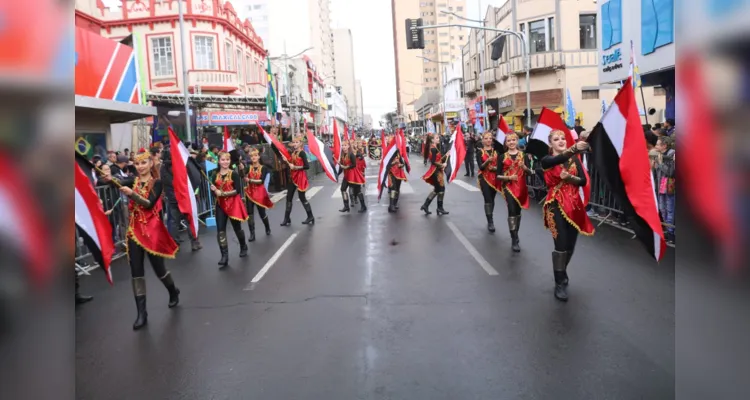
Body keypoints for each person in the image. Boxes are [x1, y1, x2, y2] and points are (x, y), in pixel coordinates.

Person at [101, 148, 180, 330]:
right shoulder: (132, 180)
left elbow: (149, 203)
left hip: (152, 232)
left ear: (151, 163)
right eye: (137, 163)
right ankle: (141, 313)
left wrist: (131, 194)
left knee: (159, 269)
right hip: (134, 232)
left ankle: (173, 291)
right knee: (136, 272)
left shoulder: (157, 183)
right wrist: (106, 177)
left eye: (144, 162)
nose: (141, 166)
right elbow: (117, 182)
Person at [541, 130, 594, 301]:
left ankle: (562, 272)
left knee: (570, 246)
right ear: (551, 144)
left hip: (574, 207)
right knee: (561, 244)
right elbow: (558, 159)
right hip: (555, 205)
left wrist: (570, 177)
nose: (561, 141)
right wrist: (574, 148)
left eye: (563, 138)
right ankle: (559, 283)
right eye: (556, 139)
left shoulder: (574, 160)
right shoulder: (547, 160)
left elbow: (583, 181)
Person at [211, 151, 249, 268]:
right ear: (219, 161)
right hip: (220, 205)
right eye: (223, 160)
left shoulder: (234, 174)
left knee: (237, 228)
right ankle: (224, 256)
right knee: (220, 230)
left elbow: (238, 190)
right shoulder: (214, 174)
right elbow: (214, 193)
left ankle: (243, 246)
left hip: (233, 205)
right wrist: (213, 190)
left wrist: (221, 193)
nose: (225, 162)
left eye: (227, 159)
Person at [497, 132, 532, 252]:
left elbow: (530, 173)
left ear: (517, 141)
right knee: (511, 210)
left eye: (513, 140)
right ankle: (514, 238)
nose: (511, 143)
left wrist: (524, 167)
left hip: (521, 187)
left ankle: (516, 232)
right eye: (509, 141)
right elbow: (498, 175)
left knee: (517, 212)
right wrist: (509, 178)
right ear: (506, 143)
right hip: (509, 187)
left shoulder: (524, 155)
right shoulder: (502, 157)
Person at [280, 134, 315, 226]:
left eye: (296, 142)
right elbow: (291, 163)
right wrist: (286, 160)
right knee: (289, 198)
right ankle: (287, 218)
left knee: (302, 198)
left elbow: (307, 166)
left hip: (300, 178)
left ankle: (310, 216)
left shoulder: (302, 153)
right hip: (293, 177)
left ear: (301, 144)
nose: (294, 144)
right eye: (294, 142)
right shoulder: (293, 153)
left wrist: (295, 167)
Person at [243, 148, 273, 241]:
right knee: (250, 214)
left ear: (259, 156)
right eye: (251, 156)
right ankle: (252, 234)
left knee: (262, 213)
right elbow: (242, 175)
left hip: (259, 193)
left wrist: (250, 180)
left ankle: (267, 227)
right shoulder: (248, 167)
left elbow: (261, 181)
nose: (253, 157)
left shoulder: (263, 168)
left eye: (255, 155)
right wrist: (241, 169)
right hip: (250, 193)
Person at [653, 136, 676, 244]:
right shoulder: (658, 155)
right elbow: (657, 170)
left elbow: (670, 172)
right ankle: (666, 230)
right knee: (662, 209)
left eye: (658, 144)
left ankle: (671, 232)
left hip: (669, 186)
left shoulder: (672, 154)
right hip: (660, 185)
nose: (656, 146)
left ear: (664, 145)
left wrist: (660, 163)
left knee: (670, 209)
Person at [476, 132, 499, 232]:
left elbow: (501, 166)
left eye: (490, 138)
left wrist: (495, 168)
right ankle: (490, 221)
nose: (488, 140)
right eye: (486, 138)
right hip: (484, 178)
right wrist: (487, 162)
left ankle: (490, 215)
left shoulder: (496, 152)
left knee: (492, 199)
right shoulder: (480, 152)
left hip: (495, 178)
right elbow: (481, 167)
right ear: (483, 140)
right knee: (488, 199)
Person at [420, 133, 449, 216]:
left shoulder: (435, 147)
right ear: (432, 140)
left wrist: (445, 156)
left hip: (437, 171)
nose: (438, 139)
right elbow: (433, 162)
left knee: (437, 189)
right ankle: (440, 208)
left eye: (438, 138)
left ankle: (425, 205)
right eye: (437, 138)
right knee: (441, 189)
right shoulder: (433, 149)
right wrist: (442, 165)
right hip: (435, 171)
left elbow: (438, 159)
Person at [338, 140, 366, 213]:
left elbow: (354, 164)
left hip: (353, 175)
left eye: (345, 145)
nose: (344, 147)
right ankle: (346, 206)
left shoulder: (351, 154)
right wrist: (337, 174)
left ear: (348, 146)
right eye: (343, 145)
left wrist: (346, 167)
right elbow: (341, 167)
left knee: (357, 191)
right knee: (343, 189)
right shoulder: (342, 155)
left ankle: (363, 206)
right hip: (346, 175)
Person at [388, 137, 407, 213]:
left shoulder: (398, 152)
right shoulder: (388, 152)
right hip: (391, 172)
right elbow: (386, 164)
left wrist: (401, 165)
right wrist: (394, 163)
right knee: (393, 188)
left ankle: (395, 203)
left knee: (397, 189)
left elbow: (402, 162)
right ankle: (391, 205)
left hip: (399, 173)